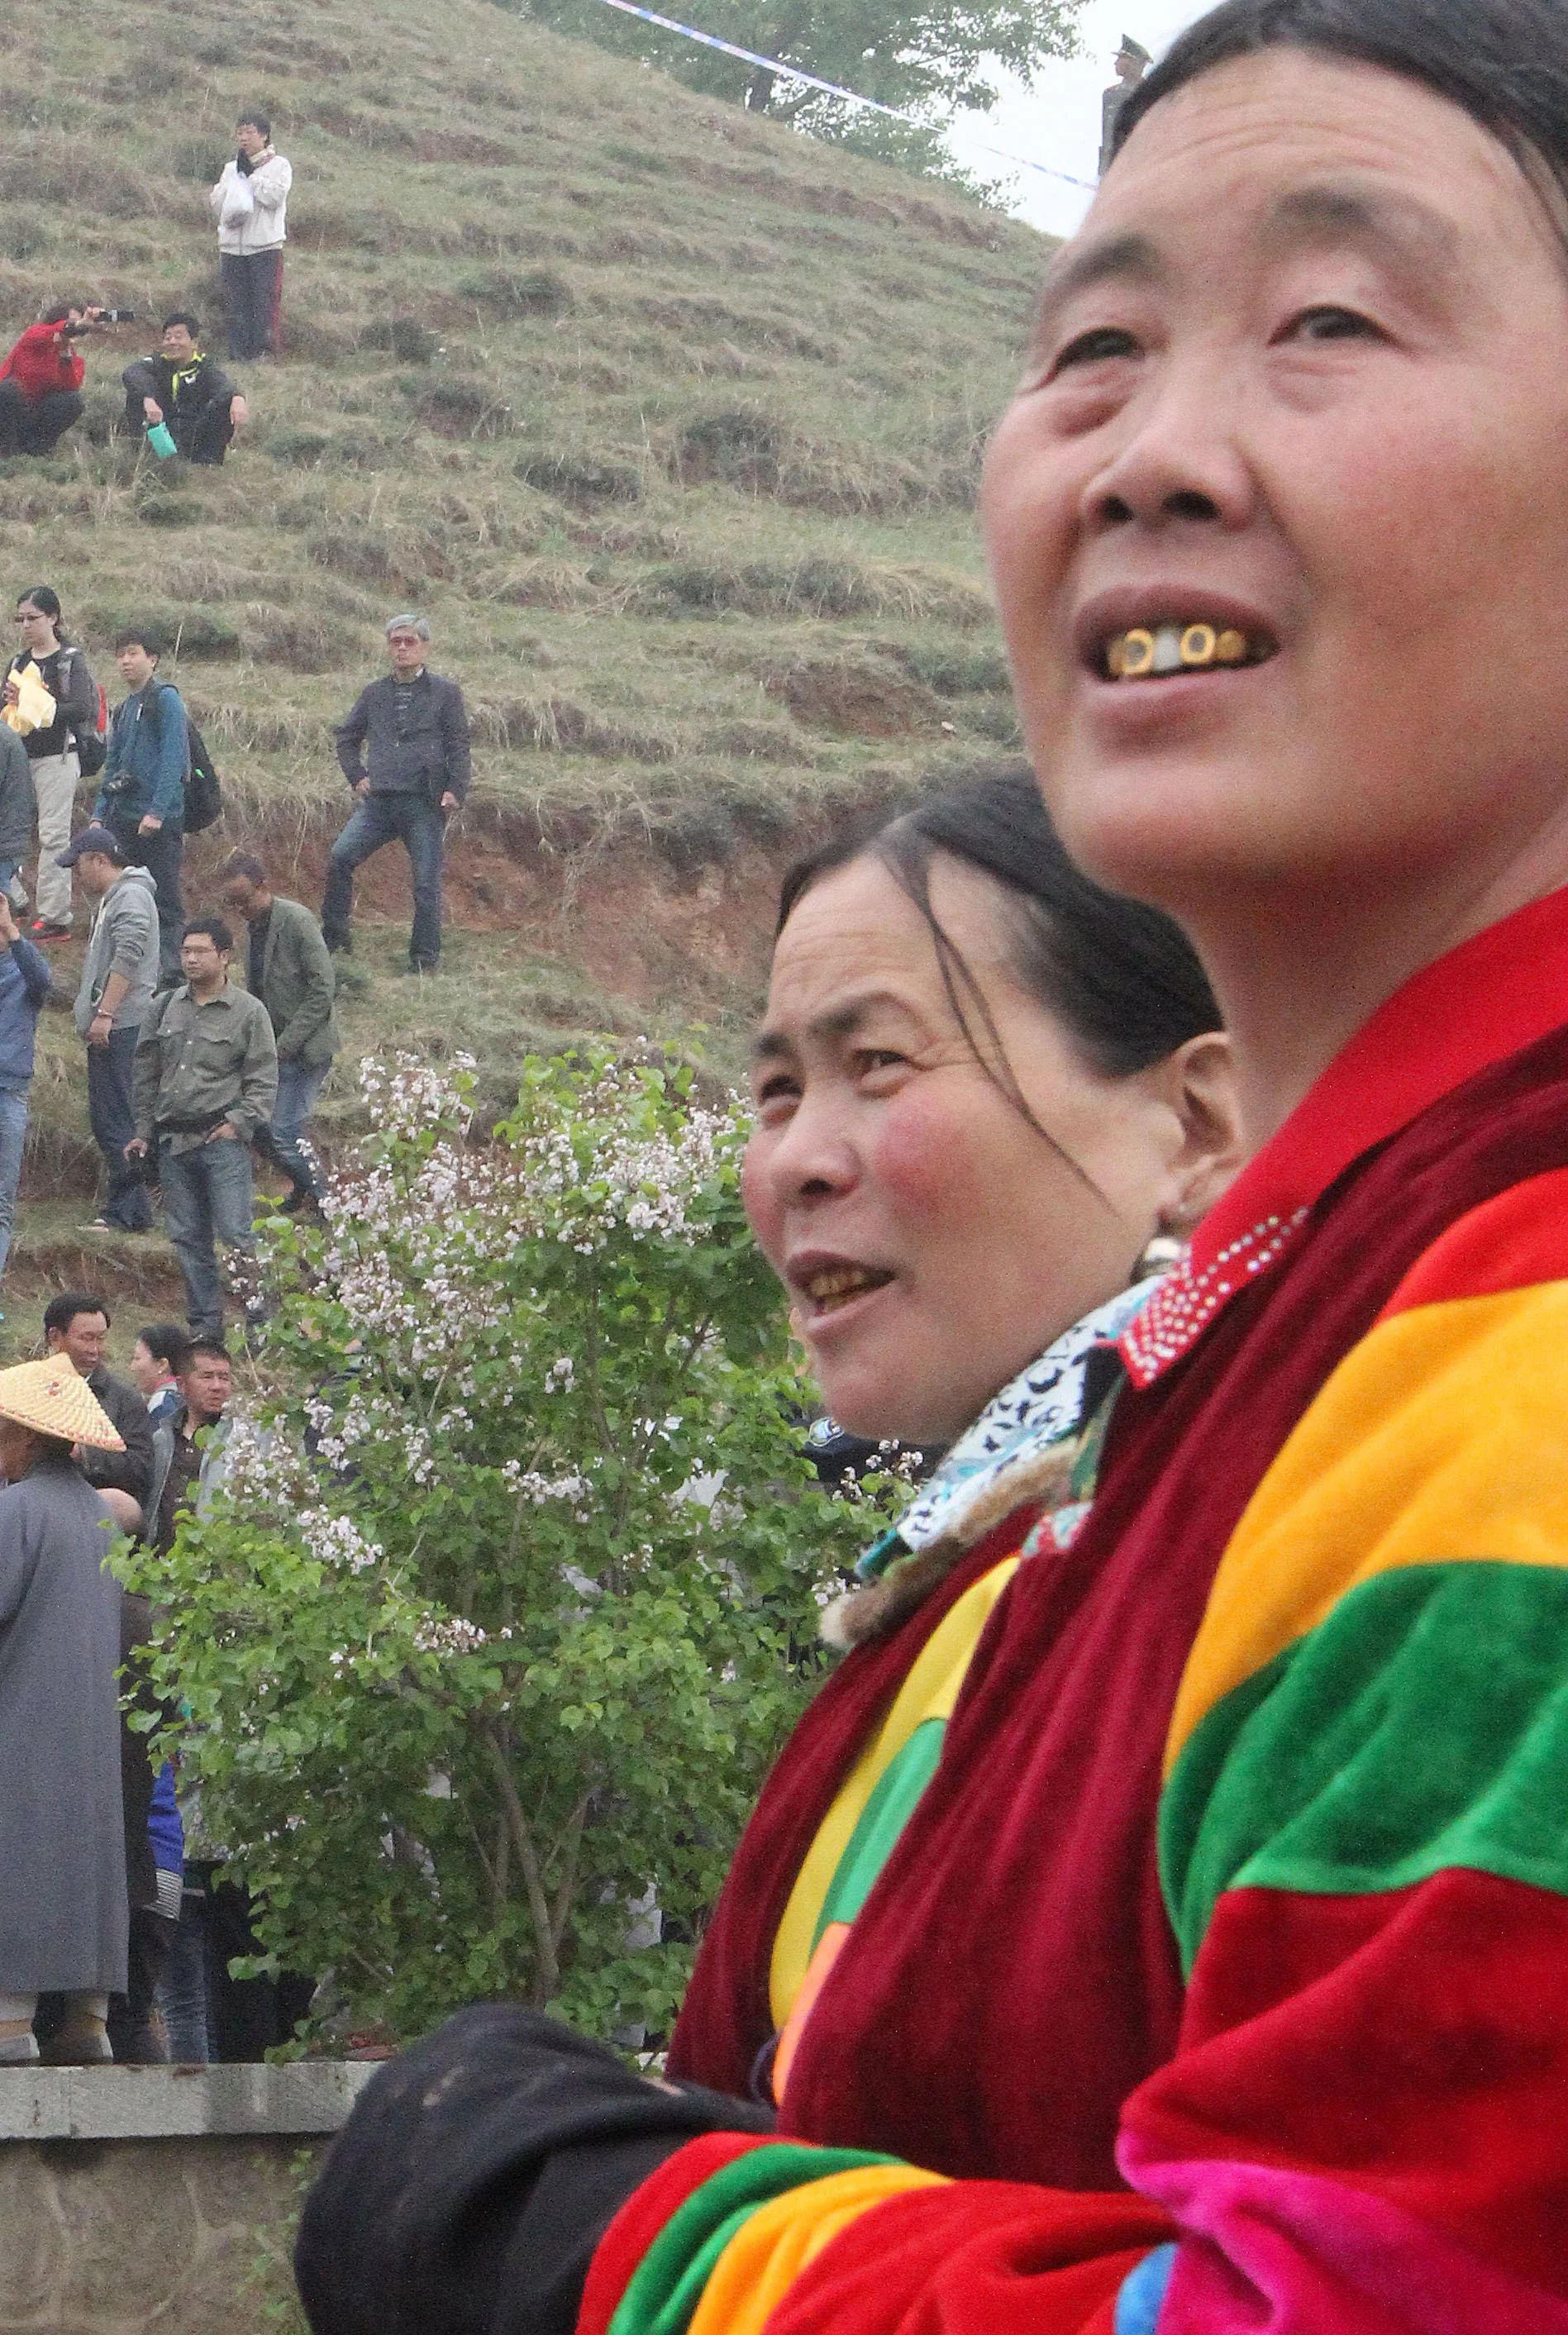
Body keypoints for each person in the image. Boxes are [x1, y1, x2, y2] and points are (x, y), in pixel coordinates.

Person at [298, 0, 1568, 2328]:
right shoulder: (1277, 1346)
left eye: (1331, 319)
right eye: (1090, 346)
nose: (1155, 450)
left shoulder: (1526, 1321)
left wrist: (600, 2244)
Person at [0, 1356, 130, 2065]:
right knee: (86, 1860)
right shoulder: (100, 1516)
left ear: (22, 1435)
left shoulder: (14, 1511)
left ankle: (10, 2023)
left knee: (17, 1853)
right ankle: (87, 2019)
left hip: (22, 1716)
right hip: (91, 1723)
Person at [130, 918, 278, 1340]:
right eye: (185, 951)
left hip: (221, 1141)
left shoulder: (249, 1012)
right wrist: (143, 1131)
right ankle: (206, 1328)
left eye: (201, 951)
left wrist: (239, 1124)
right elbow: (145, 1074)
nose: (191, 959)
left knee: (236, 1233)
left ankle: (260, 1326)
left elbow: (264, 1080)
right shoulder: (163, 1007)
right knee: (188, 1238)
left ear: (225, 955)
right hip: (173, 1141)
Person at [322, 617, 470, 976]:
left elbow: (458, 745)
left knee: (425, 881)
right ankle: (335, 945)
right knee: (340, 857)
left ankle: (424, 961)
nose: (402, 648)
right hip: (380, 803)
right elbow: (347, 737)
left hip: (424, 802)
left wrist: (455, 789)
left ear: (425, 647)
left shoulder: (446, 693)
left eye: (410, 641)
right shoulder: (374, 693)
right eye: (396, 642)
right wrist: (357, 776)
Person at [218, 851, 340, 1210]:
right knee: (256, 1126)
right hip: (272, 1048)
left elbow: (322, 990)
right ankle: (304, 1187)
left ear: (263, 886)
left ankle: (328, 1204)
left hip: (306, 1049)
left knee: (285, 1130)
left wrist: (284, 1045)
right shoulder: (253, 928)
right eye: (233, 903)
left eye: (243, 899)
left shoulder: (296, 921)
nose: (239, 909)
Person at [62, 823, 160, 1235]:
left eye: (79, 865)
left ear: (99, 860)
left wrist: (105, 1014)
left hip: (121, 1027)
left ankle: (127, 1212)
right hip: (117, 1025)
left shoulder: (131, 896)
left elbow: (129, 955)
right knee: (112, 1118)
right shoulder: (117, 898)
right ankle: (132, 1209)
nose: (76, 875)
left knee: (116, 1118)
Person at [95, 627, 186, 983]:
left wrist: (158, 812)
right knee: (122, 894)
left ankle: (172, 974)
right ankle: (122, 969)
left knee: (164, 898)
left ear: (153, 658)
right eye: (120, 654)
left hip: (159, 821)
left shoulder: (166, 699)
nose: (125, 661)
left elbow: (173, 759)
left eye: (133, 653)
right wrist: (100, 814)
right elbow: (113, 765)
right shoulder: (125, 707)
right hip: (125, 817)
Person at [5, 588, 96, 939]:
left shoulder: (69, 660)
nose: (26, 625)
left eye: (33, 617)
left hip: (58, 756)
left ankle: (55, 914)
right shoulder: (17, 663)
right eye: (21, 619)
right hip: (18, 758)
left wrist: (39, 703)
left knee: (53, 834)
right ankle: (13, 898)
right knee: (10, 830)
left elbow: (83, 708)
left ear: (53, 618)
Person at [43, 1292, 155, 1509]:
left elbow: (141, 1468)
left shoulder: (125, 1400)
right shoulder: (24, 1388)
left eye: (100, 1338)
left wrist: (84, 1454)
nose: (95, 1350)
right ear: (55, 1337)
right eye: (86, 1338)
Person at [209, 113, 291, 361]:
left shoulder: (280, 166)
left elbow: (275, 197)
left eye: (250, 133)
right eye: (240, 133)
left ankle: (264, 351)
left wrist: (250, 178)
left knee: (264, 300)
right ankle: (238, 352)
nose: (243, 139)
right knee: (236, 301)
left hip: (265, 246)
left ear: (264, 136)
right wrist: (235, 181)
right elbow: (216, 203)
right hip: (232, 247)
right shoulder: (230, 168)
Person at [122, 314, 248, 469]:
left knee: (227, 400)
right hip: (160, 433)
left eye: (178, 337)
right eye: (168, 338)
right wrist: (147, 397)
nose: (172, 342)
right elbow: (132, 373)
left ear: (194, 343)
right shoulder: (156, 363)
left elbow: (223, 385)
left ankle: (208, 463)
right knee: (136, 393)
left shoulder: (204, 366)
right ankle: (147, 457)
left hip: (194, 436)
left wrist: (238, 397)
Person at [146, 1336, 234, 1556]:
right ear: (181, 1384)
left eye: (224, 1378)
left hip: (217, 1568)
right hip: (160, 1566)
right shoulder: (162, 1438)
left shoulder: (241, 1441)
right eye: (206, 1377)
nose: (217, 1386)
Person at [0, 898, 49, 1289]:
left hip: (9, 1091)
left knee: (1, 1202)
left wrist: (13, 932)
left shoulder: (24, 968)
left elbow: (45, 982)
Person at [0, 300, 108, 458]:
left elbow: (70, 387)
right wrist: (73, 326)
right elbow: (48, 332)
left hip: (34, 414)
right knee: (7, 390)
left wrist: (65, 353)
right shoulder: (35, 334)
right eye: (72, 323)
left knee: (72, 401)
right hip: (9, 411)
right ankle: (6, 452)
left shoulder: (74, 360)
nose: (76, 330)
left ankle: (36, 453)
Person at [1099, 33, 1151, 176]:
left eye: (1120, 58)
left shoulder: (1150, 93)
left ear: (1133, 63)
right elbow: (1107, 136)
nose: (1115, 63)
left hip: (1141, 164)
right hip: (1112, 165)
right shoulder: (1110, 94)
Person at [130, 1322, 189, 1425]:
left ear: (162, 1364)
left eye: (137, 1358)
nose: (132, 1368)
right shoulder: (185, 1397)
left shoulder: (162, 1406)